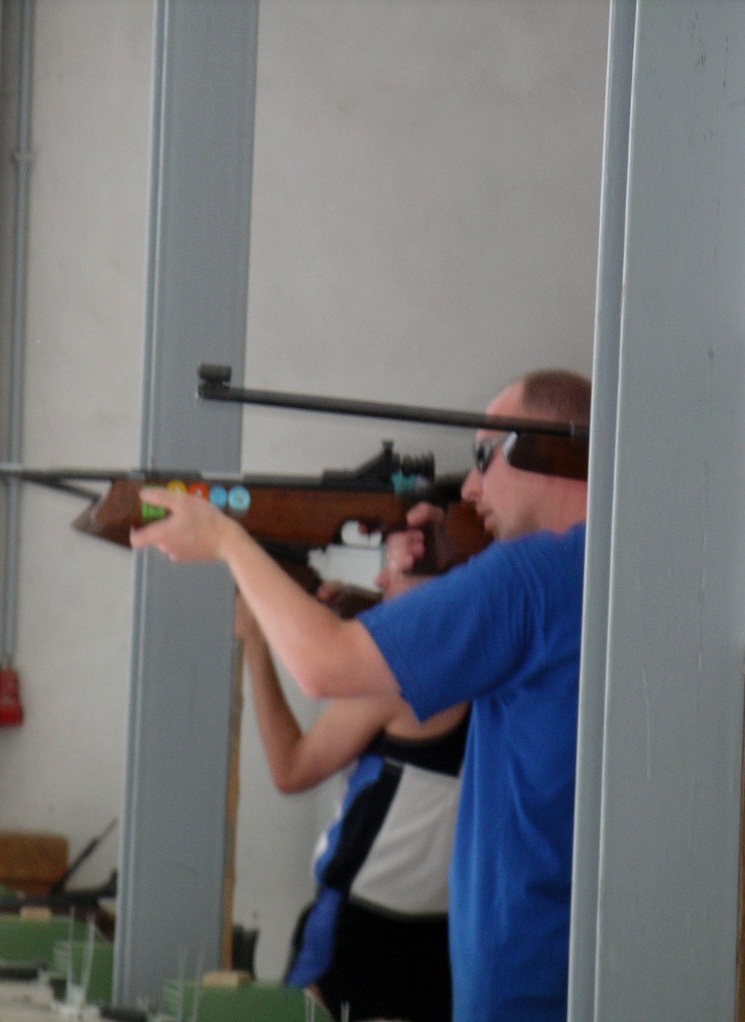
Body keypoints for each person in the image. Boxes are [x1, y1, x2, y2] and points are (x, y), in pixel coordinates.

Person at [131, 369, 591, 1022]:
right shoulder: (607, 571)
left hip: (519, 985)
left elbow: (324, 667)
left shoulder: (531, 578)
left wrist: (227, 539)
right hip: (564, 974)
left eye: (485, 456)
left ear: (548, 450)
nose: (470, 485)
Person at [234, 592, 465, 1022]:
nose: (381, 579)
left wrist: (255, 642)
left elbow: (290, 769)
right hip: (443, 931)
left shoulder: (398, 679)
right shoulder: (502, 677)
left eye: (395, 568)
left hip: (359, 925)